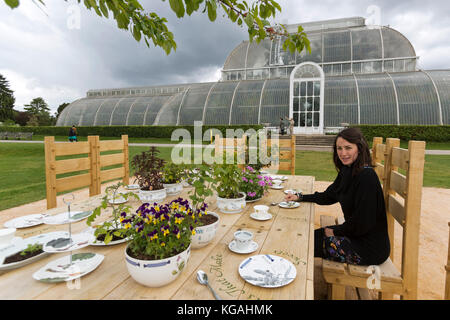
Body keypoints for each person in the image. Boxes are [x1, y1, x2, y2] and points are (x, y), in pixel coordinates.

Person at [285, 127, 390, 265]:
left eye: (348, 148)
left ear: (359, 148)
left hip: (369, 248)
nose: (343, 153)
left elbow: (363, 223)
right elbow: (328, 196)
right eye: (339, 148)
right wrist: (300, 197)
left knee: (306, 244)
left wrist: (336, 231)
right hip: (354, 234)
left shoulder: (366, 177)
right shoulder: (347, 170)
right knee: (305, 237)